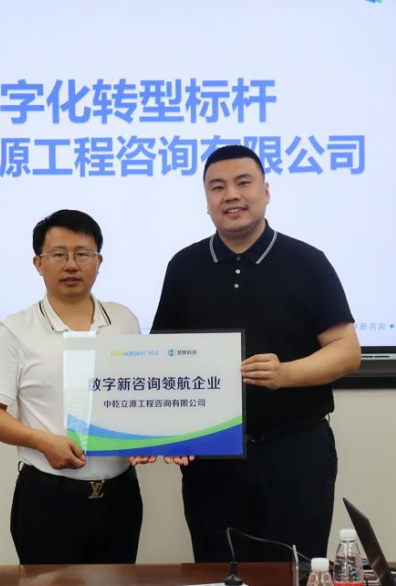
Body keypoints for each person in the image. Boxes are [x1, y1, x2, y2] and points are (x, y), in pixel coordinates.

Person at [151, 145, 361, 563]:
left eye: (243, 183)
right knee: (218, 569)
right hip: (213, 459)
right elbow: (162, 359)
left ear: (266, 191)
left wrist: (286, 374)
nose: (231, 195)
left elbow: (346, 351)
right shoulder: (184, 267)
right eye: (217, 187)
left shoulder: (307, 262)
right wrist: (168, 432)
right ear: (206, 200)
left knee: (297, 569)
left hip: (296, 451)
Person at [0, 209, 143, 565]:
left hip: (120, 495)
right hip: (48, 496)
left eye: (82, 254)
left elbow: (138, 396)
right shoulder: (16, 329)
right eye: (58, 255)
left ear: (98, 261)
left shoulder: (124, 320)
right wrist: (43, 441)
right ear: (38, 263)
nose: (71, 265)